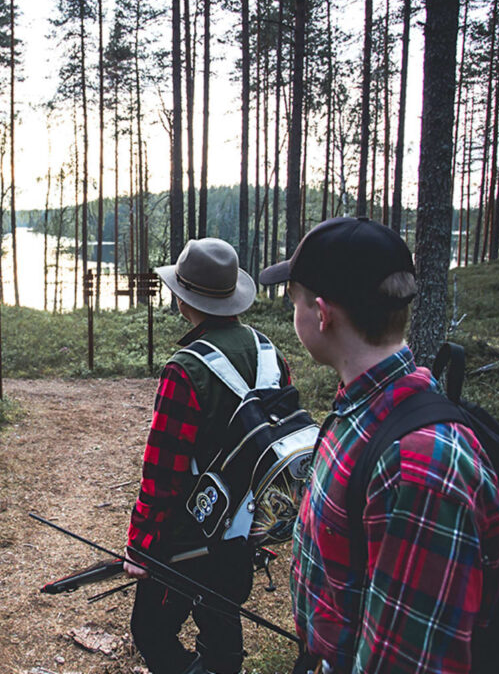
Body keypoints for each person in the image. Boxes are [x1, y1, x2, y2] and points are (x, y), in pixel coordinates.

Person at [258, 217, 499, 674]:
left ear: (321, 313)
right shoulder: (363, 410)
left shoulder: (420, 465)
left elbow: (411, 661)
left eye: (293, 302)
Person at [125, 237, 286, 674]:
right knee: (221, 615)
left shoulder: (185, 369)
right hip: (247, 527)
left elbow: (161, 474)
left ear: (183, 299)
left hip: (187, 536)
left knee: (151, 629)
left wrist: (139, 549)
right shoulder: (271, 353)